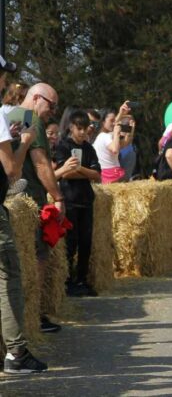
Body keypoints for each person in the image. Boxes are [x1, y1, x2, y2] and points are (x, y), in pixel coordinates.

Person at [0, 56, 48, 373]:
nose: (6, 84)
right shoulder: (6, 116)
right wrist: (26, 141)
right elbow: (12, 171)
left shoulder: (10, 113)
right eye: (5, 78)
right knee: (9, 276)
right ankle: (16, 351)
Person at [19, 83, 66, 333]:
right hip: (30, 200)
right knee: (38, 257)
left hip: (18, 200)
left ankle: (27, 317)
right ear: (36, 98)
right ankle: (33, 317)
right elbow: (40, 163)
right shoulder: (33, 121)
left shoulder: (16, 115)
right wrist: (58, 196)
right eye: (51, 105)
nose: (53, 112)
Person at [54, 110, 101, 296]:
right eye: (79, 129)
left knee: (85, 242)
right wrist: (85, 172)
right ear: (71, 127)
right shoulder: (63, 146)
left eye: (85, 129)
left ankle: (82, 279)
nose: (82, 133)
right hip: (70, 199)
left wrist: (80, 168)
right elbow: (65, 173)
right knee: (70, 242)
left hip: (86, 200)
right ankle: (67, 281)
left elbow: (97, 175)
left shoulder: (89, 149)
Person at [92, 103, 134, 184]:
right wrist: (116, 133)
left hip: (108, 174)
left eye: (115, 120)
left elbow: (124, 144)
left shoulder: (103, 136)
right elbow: (115, 149)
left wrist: (130, 130)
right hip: (110, 175)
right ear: (103, 122)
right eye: (112, 121)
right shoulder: (105, 136)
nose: (114, 123)